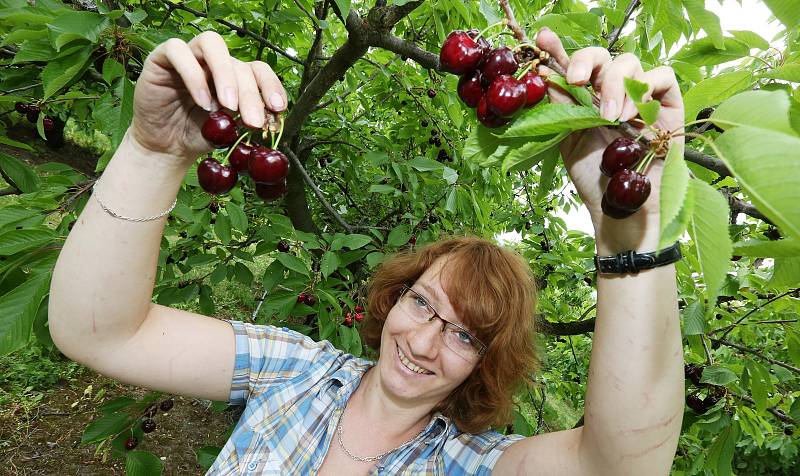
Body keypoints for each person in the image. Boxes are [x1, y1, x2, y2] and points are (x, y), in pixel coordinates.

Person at [49, 27, 685, 475]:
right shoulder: (294, 373)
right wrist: (152, 152)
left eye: (466, 337)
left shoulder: (469, 463)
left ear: (487, 364)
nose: (425, 342)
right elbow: (100, 333)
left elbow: (621, 466)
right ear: (393, 297)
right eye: (424, 304)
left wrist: (629, 230)